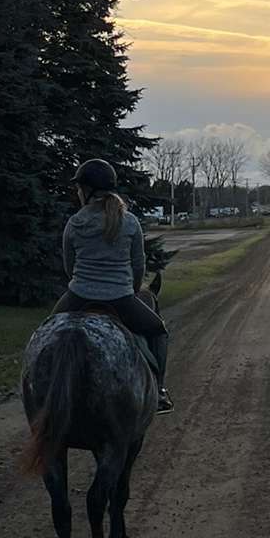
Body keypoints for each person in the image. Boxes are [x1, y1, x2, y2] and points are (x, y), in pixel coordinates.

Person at [53, 159, 173, 412]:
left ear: (87, 190)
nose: (78, 192)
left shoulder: (74, 223)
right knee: (158, 331)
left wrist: (83, 282)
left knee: (46, 333)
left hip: (78, 296)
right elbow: (138, 265)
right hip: (121, 298)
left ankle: (40, 391)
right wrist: (133, 289)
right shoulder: (130, 222)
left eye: (79, 188)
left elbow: (69, 266)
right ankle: (160, 391)